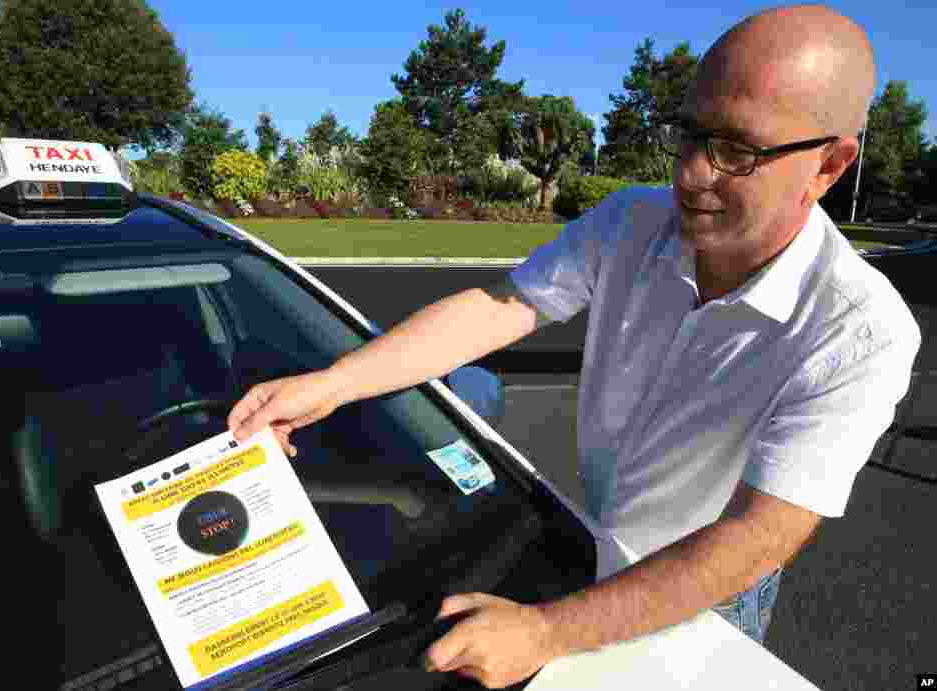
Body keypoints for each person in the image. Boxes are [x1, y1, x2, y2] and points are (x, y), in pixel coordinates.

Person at [228, 4, 921, 688]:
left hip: (706, 594)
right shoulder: (629, 222)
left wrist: (544, 630)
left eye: (735, 150)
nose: (690, 174)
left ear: (829, 164)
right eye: (688, 133)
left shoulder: (858, 331)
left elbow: (756, 538)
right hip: (583, 541)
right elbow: (499, 309)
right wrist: (330, 385)